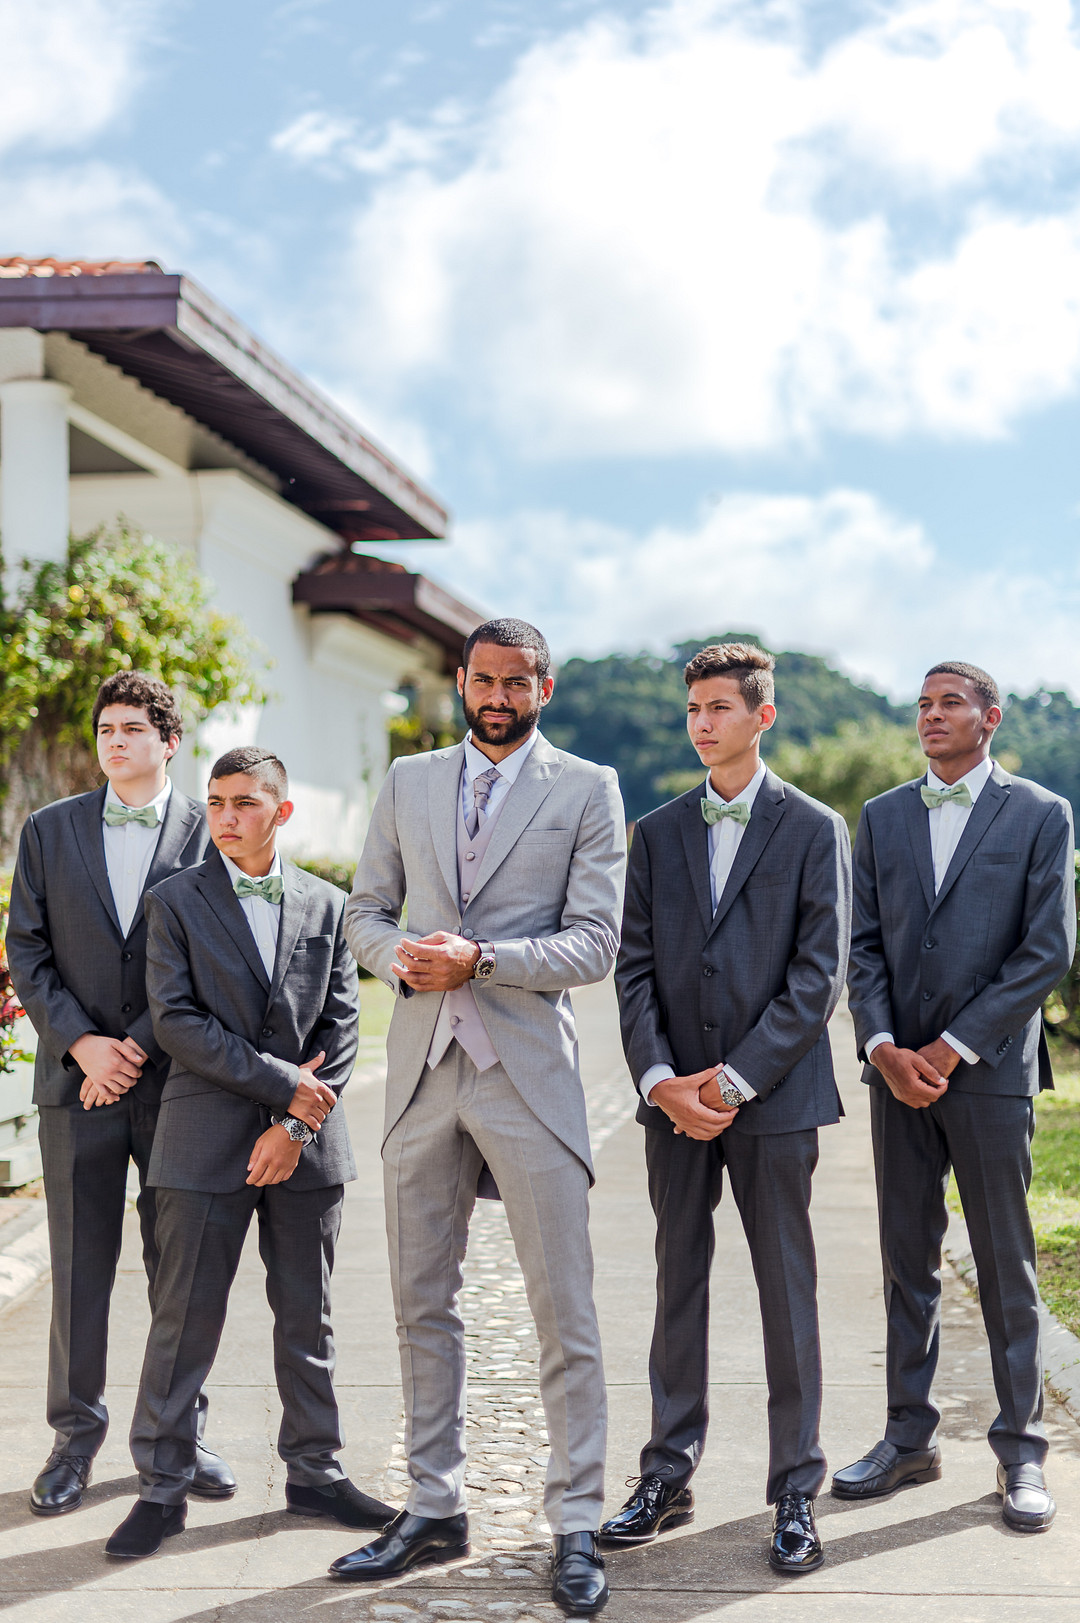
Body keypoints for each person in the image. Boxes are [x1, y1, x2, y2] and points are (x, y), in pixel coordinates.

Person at [337, 618, 626, 1616]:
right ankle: (433, 1502)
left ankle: (578, 1519)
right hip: (422, 1070)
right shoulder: (409, 782)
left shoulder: (587, 789)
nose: (498, 697)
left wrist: (485, 961)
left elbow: (594, 943)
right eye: (484, 680)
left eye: (517, 683)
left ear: (545, 686)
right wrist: (399, 957)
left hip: (527, 1075)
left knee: (564, 1310)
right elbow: (365, 910)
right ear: (461, 681)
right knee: (422, 1302)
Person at [105, 747, 391, 1558]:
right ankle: (160, 1487)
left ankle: (315, 1470)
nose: (227, 816)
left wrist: (294, 1127)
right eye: (217, 802)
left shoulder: (329, 905)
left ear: (281, 811)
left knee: (310, 1318)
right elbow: (176, 1021)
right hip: (202, 1138)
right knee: (183, 1320)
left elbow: (340, 1029)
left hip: (308, 1145)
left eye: (245, 802)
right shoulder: (174, 902)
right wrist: (282, 1089)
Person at [604, 642, 851, 1576]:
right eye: (694, 707)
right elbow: (633, 968)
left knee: (787, 1291)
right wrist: (661, 1078)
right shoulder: (659, 830)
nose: (703, 722)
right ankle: (668, 1470)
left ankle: (796, 1489)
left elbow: (815, 974)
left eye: (720, 706)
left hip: (776, 1098)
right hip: (672, 1104)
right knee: (679, 1283)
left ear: (762, 715)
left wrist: (733, 1081)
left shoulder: (813, 825)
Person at [834, 661, 1075, 1533]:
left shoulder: (1042, 813)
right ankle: (908, 1439)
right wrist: (884, 1045)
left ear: (991, 717)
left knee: (1007, 1265)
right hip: (895, 1076)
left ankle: (1021, 1452)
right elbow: (859, 943)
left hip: (989, 1073)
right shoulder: (884, 815)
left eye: (950, 702)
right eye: (923, 703)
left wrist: (950, 1044)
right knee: (907, 1261)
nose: (932, 715)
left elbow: (1045, 948)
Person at [6, 671, 234, 1516]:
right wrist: (87, 1044)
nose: (115, 740)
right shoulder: (48, 830)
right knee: (77, 1271)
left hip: (183, 1087)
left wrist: (138, 1043)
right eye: (107, 727)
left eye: (134, 727)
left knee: (183, 1273)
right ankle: (74, 1439)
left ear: (169, 741)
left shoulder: (213, 831)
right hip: (78, 1083)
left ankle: (180, 1433)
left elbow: (222, 954)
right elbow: (26, 949)